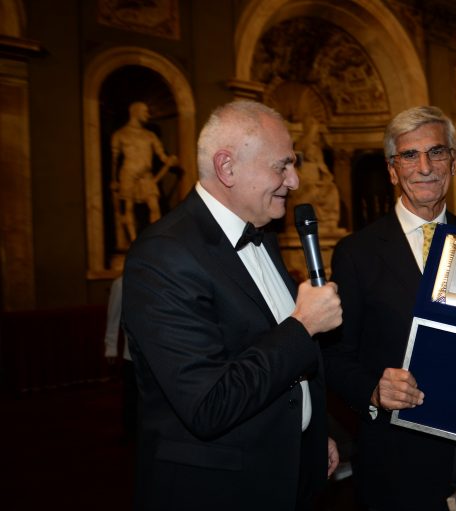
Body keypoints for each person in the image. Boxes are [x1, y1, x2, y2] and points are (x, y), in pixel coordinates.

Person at [122, 100, 342, 511]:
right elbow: (209, 404)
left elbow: (275, 359)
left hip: (285, 473)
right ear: (226, 167)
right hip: (217, 490)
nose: (294, 181)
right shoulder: (163, 255)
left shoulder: (262, 235)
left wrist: (313, 432)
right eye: (282, 166)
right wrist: (303, 325)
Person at [322, 106, 456, 511]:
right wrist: (373, 389)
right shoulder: (356, 253)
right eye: (409, 155)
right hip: (399, 459)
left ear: (452, 162)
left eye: (436, 152)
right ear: (392, 170)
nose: (425, 167)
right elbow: (334, 357)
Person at [111, 101, 178, 249]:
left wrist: (170, 160)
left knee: (154, 206)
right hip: (128, 174)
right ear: (135, 112)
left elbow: (162, 155)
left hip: (146, 176)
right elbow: (114, 160)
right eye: (145, 112)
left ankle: (155, 240)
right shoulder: (120, 134)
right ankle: (133, 242)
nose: (148, 115)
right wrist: (114, 180)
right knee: (128, 208)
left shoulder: (150, 136)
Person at [103, 274, 137, 441]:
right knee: (131, 400)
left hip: (155, 356)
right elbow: (113, 317)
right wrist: (110, 347)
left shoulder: (156, 279)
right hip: (130, 355)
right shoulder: (121, 283)